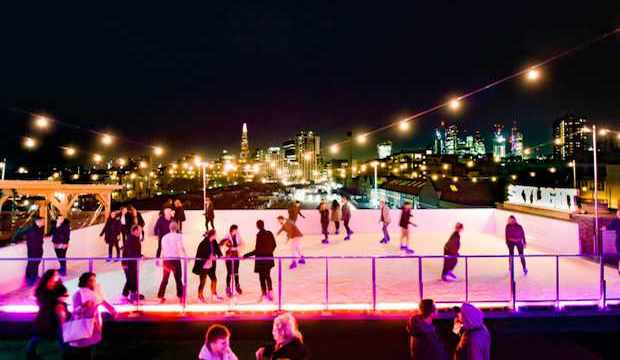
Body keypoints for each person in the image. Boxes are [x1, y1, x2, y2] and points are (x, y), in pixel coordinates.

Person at [65, 272, 117, 359]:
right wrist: (83, 306)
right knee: (85, 351)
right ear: (85, 282)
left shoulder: (95, 293)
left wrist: (112, 310)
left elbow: (102, 301)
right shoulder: (78, 294)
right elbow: (75, 312)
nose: (94, 282)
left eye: (94, 280)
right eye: (91, 280)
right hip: (84, 327)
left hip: (94, 325)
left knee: (92, 349)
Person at [26, 269, 68, 360]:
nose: (58, 276)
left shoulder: (59, 286)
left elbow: (64, 294)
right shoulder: (41, 289)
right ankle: (30, 353)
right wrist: (57, 300)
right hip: (45, 316)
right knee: (38, 336)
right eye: (56, 274)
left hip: (57, 316)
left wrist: (62, 299)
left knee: (62, 335)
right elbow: (43, 301)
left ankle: (65, 354)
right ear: (50, 276)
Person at [244, 220, 277, 302]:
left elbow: (257, 250)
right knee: (267, 276)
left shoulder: (259, 235)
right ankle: (270, 293)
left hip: (261, 260)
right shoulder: (269, 233)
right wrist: (269, 252)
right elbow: (274, 245)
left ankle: (264, 293)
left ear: (257, 226)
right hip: (268, 259)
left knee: (262, 277)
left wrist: (246, 255)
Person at [157, 222, 187, 303]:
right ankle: (180, 296)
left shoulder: (164, 237)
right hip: (175, 260)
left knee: (165, 279)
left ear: (169, 228)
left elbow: (162, 249)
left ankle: (160, 296)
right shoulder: (178, 236)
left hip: (166, 260)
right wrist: (186, 256)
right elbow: (181, 247)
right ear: (177, 228)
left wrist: (160, 261)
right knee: (178, 279)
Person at [193, 229, 224, 302]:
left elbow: (217, 249)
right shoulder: (203, 243)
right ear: (212, 235)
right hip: (204, 266)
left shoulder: (213, 241)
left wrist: (220, 256)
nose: (216, 236)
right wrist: (210, 257)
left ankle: (214, 294)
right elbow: (201, 254)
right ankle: (200, 296)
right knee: (202, 282)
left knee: (214, 279)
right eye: (215, 234)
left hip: (211, 266)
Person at [220, 225, 244, 297]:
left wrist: (236, 248)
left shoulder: (238, 235)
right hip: (229, 256)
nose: (237, 231)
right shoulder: (227, 236)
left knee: (236, 271)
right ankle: (228, 287)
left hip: (236, 255)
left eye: (237, 230)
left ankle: (237, 285)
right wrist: (229, 249)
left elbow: (242, 243)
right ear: (232, 230)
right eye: (235, 230)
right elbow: (222, 245)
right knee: (229, 272)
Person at [121, 225, 143, 302]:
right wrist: (140, 256)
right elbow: (131, 252)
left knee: (133, 278)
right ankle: (125, 295)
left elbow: (136, 251)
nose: (140, 232)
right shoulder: (131, 239)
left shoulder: (134, 239)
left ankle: (133, 294)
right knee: (130, 279)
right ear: (134, 231)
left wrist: (140, 255)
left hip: (131, 262)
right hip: (128, 263)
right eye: (139, 230)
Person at [24, 216, 46, 286]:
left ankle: (34, 277)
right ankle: (29, 279)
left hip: (39, 250)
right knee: (31, 264)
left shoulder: (41, 228)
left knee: (36, 264)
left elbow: (40, 240)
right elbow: (32, 242)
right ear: (37, 221)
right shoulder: (32, 229)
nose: (44, 222)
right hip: (33, 251)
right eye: (42, 221)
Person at [603, 210, 620, 275]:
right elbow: (609, 227)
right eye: (618, 214)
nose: (619, 215)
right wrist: (604, 228)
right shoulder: (615, 221)